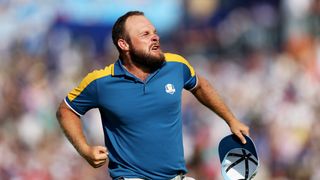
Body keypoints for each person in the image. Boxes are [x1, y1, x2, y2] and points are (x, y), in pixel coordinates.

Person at [56, 11, 249, 180]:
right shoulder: (101, 81)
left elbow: (199, 86)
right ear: (124, 44)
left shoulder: (176, 65)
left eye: (155, 32)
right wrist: (85, 149)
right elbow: (66, 110)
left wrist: (231, 120)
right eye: (145, 34)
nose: (155, 37)